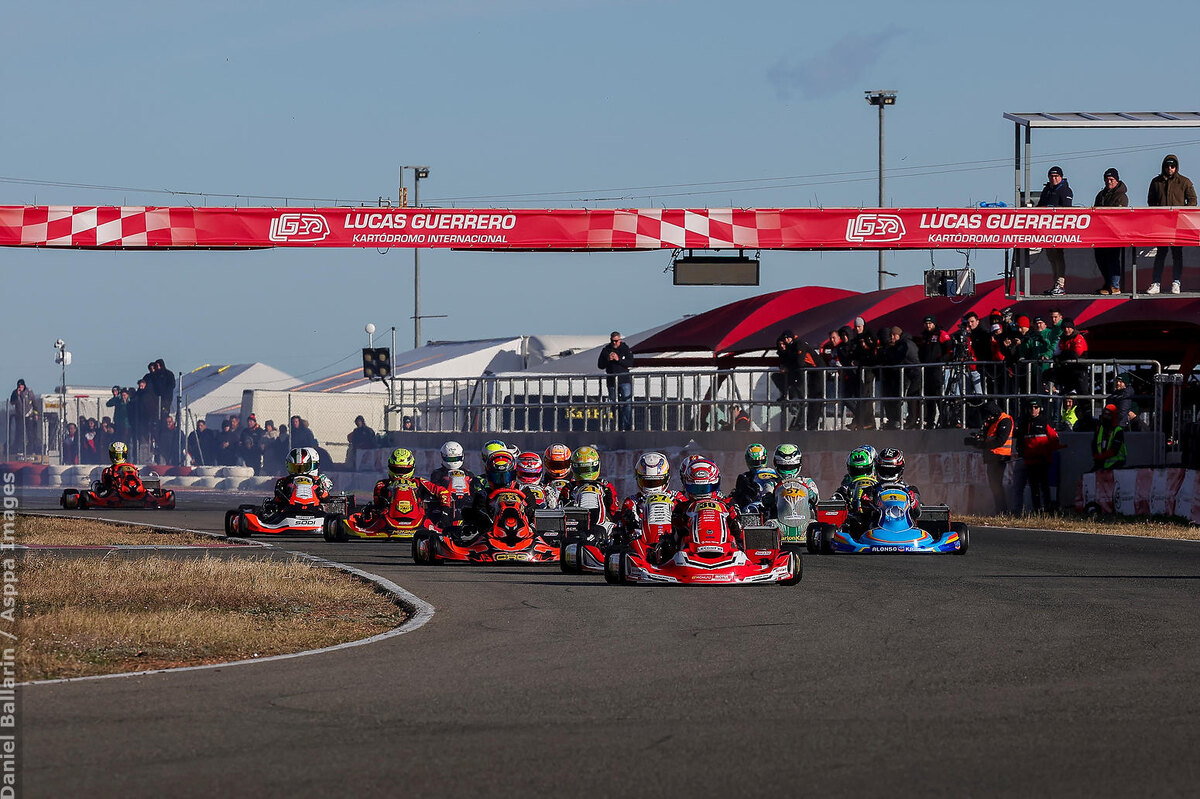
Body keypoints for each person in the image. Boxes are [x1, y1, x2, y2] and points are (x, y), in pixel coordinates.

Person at [1146, 154, 1197, 294]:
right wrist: (1159, 213)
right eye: (1167, 165)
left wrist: (1182, 213)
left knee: (1177, 254)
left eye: (1172, 166)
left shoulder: (1184, 182)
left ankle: (1176, 282)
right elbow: (1150, 201)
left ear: (1176, 167)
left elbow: (1193, 200)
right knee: (1161, 253)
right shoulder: (1156, 182)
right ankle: (1156, 283)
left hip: (1178, 225)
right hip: (1162, 225)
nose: (1170, 168)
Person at [669, 456, 743, 552]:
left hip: (725, 547)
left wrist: (734, 519)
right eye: (696, 489)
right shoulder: (682, 505)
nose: (702, 493)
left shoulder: (727, 503)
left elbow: (740, 531)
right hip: (689, 549)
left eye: (705, 488)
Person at [966, 402, 1014, 514]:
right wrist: (977, 440)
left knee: (997, 486)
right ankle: (1000, 510)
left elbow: (1000, 440)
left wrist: (983, 444)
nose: (989, 418)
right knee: (994, 486)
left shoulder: (1005, 420)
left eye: (990, 415)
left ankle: (1002, 511)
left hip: (1000, 457)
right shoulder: (992, 421)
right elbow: (986, 436)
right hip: (991, 458)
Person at [1016, 399, 1062, 513]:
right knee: (1033, 486)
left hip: (1043, 460)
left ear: (1040, 409)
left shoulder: (1045, 421)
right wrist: (1023, 453)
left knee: (1044, 486)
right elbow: (1020, 442)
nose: (1033, 410)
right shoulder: (1024, 423)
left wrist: (1046, 453)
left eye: (1036, 407)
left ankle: (1047, 508)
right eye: (1031, 408)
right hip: (1030, 461)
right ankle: (1036, 509)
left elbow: (1055, 439)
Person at [1037, 166, 1074, 295]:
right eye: (1051, 176)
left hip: (1058, 230)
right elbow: (1039, 206)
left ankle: (1060, 284)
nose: (1054, 179)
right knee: (1051, 257)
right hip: (1047, 230)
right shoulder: (1047, 190)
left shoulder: (1065, 190)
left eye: (1056, 176)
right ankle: (1056, 284)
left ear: (1061, 177)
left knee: (1058, 257)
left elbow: (1067, 209)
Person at [557, 445, 619, 520]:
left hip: (601, 523)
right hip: (575, 523)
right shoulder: (569, 487)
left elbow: (613, 510)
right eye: (582, 469)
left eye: (588, 469)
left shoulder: (605, 486)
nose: (585, 473)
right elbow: (561, 509)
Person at [1093, 167, 1129, 294]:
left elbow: (1118, 214)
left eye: (1111, 179)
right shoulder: (1101, 195)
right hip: (1101, 233)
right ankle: (1108, 284)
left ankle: (1114, 285)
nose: (1109, 182)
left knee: (1113, 258)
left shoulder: (1122, 196)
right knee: (1101, 258)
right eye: (1107, 179)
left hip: (1115, 233)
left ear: (1117, 180)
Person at [880, 325, 920, 429]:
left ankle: (911, 420)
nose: (892, 337)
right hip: (909, 372)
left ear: (899, 335)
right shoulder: (903, 343)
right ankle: (908, 420)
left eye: (894, 335)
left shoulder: (904, 344)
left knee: (911, 396)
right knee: (908, 396)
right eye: (891, 335)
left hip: (913, 372)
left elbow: (898, 358)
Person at [916, 316, 950, 428]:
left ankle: (944, 420)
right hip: (926, 370)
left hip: (937, 369)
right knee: (928, 398)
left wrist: (942, 360)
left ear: (934, 324)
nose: (928, 325)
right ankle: (930, 422)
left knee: (939, 396)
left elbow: (950, 348)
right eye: (926, 323)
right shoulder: (924, 336)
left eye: (930, 323)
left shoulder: (941, 334)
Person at [597, 331, 634, 431]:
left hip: (624, 380)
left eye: (616, 341)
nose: (614, 343)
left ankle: (627, 426)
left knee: (627, 402)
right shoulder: (606, 350)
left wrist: (618, 360)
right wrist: (608, 359)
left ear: (620, 340)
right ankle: (618, 425)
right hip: (611, 381)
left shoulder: (625, 349)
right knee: (614, 404)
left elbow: (630, 363)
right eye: (612, 341)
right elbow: (600, 365)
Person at [846, 317, 878, 430]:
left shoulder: (867, 336)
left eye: (859, 327)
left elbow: (870, 352)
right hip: (861, 370)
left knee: (864, 396)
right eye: (856, 327)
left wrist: (860, 360)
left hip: (868, 370)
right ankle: (860, 420)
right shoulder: (857, 339)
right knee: (862, 396)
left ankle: (865, 421)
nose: (857, 329)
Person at [772, 443, 820, 515]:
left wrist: (812, 496)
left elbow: (817, 500)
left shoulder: (807, 482)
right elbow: (763, 498)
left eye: (791, 467)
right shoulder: (772, 483)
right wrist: (768, 498)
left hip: (805, 520)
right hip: (778, 520)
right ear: (776, 464)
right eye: (784, 467)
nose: (788, 470)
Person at [731, 443, 770, 509]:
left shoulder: (773, 475)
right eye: (754, 462)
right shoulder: (744, 478)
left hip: (770, 510)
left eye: (760, 461)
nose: (757, 466)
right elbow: (737, 498)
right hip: (750, 511)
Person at [1092, 404, 1127, 471]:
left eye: (1109, 415)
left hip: (1117, 464)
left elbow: (1115, 450)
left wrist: (1102, 457)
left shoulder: (1118, 430)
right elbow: (1094, 444)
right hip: (1102, 464)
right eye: (1104, 414)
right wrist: (1097, 456)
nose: (1106, 417)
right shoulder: (1100, 428)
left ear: (1113, 416)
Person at [8, 379, 35, 456]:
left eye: (21, 386)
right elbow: (12, 402)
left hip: (28, 415)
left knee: (30, 433)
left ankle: (31, 449)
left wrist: (35, 414)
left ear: (24, 385)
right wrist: (17, 395)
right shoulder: (15, 392)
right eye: (19, 386)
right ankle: (19, 449)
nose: (20, 387)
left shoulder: (29, 392)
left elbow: (34, 402)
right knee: (19, 433)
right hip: (19, 416)